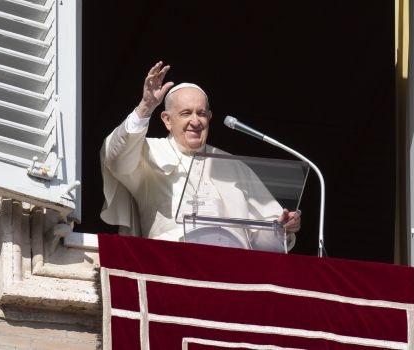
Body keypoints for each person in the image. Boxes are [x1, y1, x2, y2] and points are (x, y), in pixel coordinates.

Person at [100, 61, 301, 251]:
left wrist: (281, 228)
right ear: (167, 119)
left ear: (210, 117)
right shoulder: (147, 151)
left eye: (201, 113)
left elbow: (258, 240)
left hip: (232, 264)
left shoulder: (234, 165)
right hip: (170, 258)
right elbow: (115, 160)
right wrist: (145, 107)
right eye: (186, 113)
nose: (195, 121)